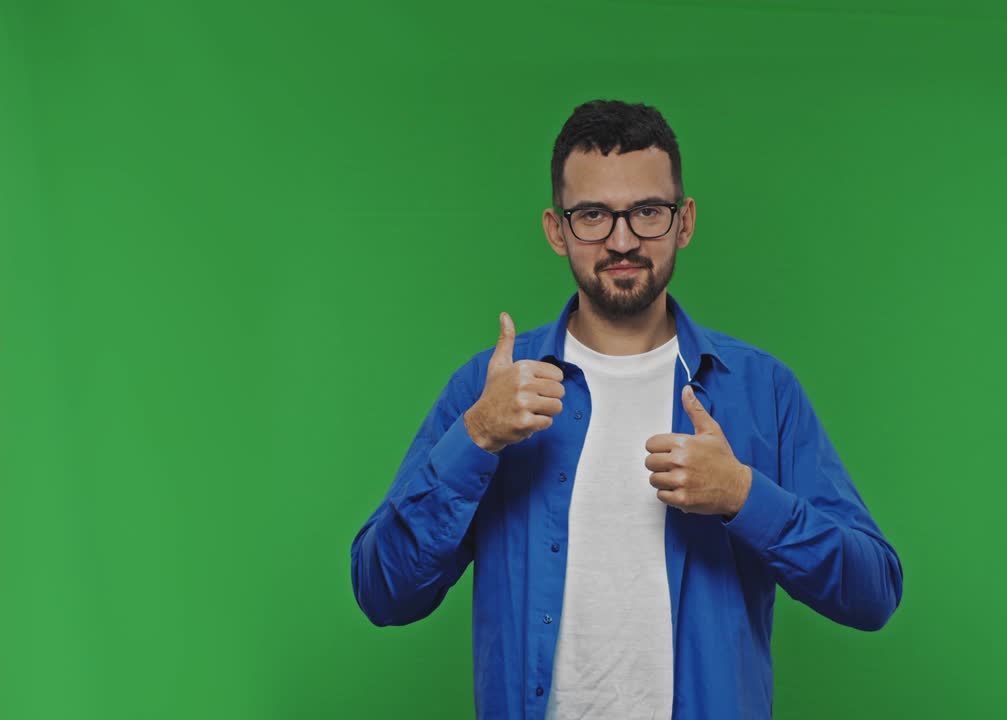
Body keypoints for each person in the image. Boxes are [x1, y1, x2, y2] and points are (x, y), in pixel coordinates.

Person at [350, 99, 904, 719]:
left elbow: (873, 592)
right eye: (592, 215)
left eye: (647, 212)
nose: (622, 240)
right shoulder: (491, 392)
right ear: (556, 229)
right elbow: (383, 592)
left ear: (684, 221)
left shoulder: (761, 390)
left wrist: (743, 495)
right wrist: (475, 437)